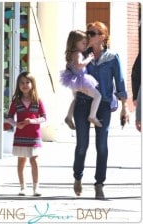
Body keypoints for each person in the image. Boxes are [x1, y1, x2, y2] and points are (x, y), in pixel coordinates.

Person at [72, 21, 129, 199]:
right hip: (82, 104)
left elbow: (119, 82)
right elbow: (72, 74)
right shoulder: (82, 55)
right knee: (82, 145)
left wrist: (124, 107)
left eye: (93, 33)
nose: (88, 36)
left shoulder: (112, 57)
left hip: (103, 104)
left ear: (103, 36)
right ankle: (78, 177)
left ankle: (99, 184)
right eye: (88, 33)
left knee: (101, 146)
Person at [6, 72, 47, 196]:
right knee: (21, 162)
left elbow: (44, 118)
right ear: (18, 85)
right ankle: (22, 187)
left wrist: (32, 121)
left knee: (34, 161)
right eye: (22, 83)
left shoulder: (38, 101)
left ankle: (36, 187)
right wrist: (15, 124)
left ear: (32, 84)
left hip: (34, 136)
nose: (24, 85)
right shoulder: (16, 101)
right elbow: (9, 117)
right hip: (20, 136)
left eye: (27, 82)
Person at [60, 30, 102, 129]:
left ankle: (69, 116)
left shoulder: (71, 53)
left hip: (74, 80)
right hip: (81, 80)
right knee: (97, 96)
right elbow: (79, 65)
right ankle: (92, 116)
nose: (85, 45)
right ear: (75, 43)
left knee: (76, 99)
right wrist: (89, 58)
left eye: (85, 43)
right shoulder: (78, 54)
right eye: (83, 43)